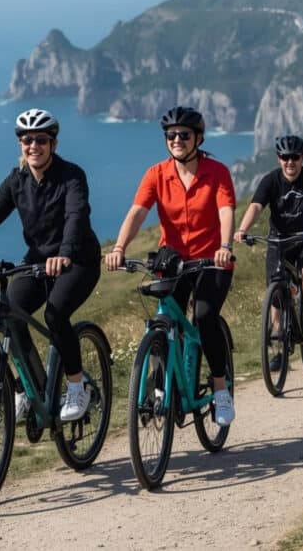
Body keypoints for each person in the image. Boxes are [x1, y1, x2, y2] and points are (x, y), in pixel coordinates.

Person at [0, 108, 102, 423]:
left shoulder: (71, 176)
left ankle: (77, 386)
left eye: (41, 140)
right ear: (20, 144)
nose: (33, 146)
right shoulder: (17, 180)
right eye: (27, 140)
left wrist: (65, 253)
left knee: (56, 314)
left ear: (53, 143)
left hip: (78, 261)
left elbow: (76, 216)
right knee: (9, 312)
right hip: (38, 263)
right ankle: (28, 389)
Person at [105, 106, 237, 425]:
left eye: (184, 135)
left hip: (211, 261)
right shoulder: (156, 174)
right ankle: (160, 387)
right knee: (163, 321)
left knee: (204, 317)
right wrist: (120, 247)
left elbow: (226, 211)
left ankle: (220, 389)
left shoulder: (217, 172)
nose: (177, 140)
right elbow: (138, 212)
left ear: (198, 138)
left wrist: (225, 246)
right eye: (171, 135)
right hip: (173, 260)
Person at [234, 135, 303, 370]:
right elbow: (256, 205)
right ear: (279, 159)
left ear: (302, 157)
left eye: (295, 157)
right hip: (279, 241)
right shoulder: (270, 180)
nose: (290, 162)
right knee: (275, 288)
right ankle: (278, 341)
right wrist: (243, 229)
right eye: (285, 157)